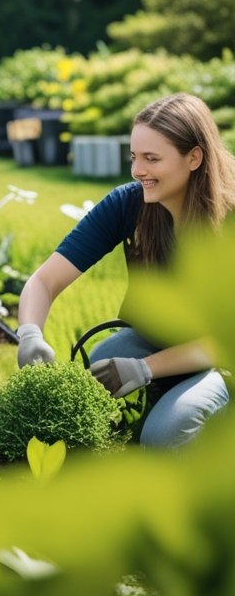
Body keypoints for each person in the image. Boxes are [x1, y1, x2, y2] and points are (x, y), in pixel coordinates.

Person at [16, 92, 232, 448]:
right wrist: (29, 334)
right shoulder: (129, 205)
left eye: (152, 158)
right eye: (134, 157)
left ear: (194, 157)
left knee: (165, 435)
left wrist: (145, 369)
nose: (137, 170)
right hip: (157, 337)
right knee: (100, 366)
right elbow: (44, 281)